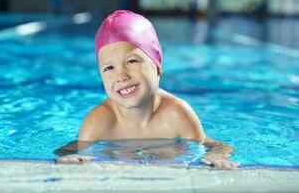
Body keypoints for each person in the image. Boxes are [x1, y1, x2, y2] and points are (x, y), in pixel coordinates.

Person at [56, 10, 240, 169]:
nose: (121, 76)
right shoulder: (100, 121)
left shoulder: (177, 113)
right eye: (109, 68)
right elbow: (71, 151)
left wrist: (217, 155)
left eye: (131, 61)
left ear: (157, 66)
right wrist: (67, 157)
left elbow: (217, 146)